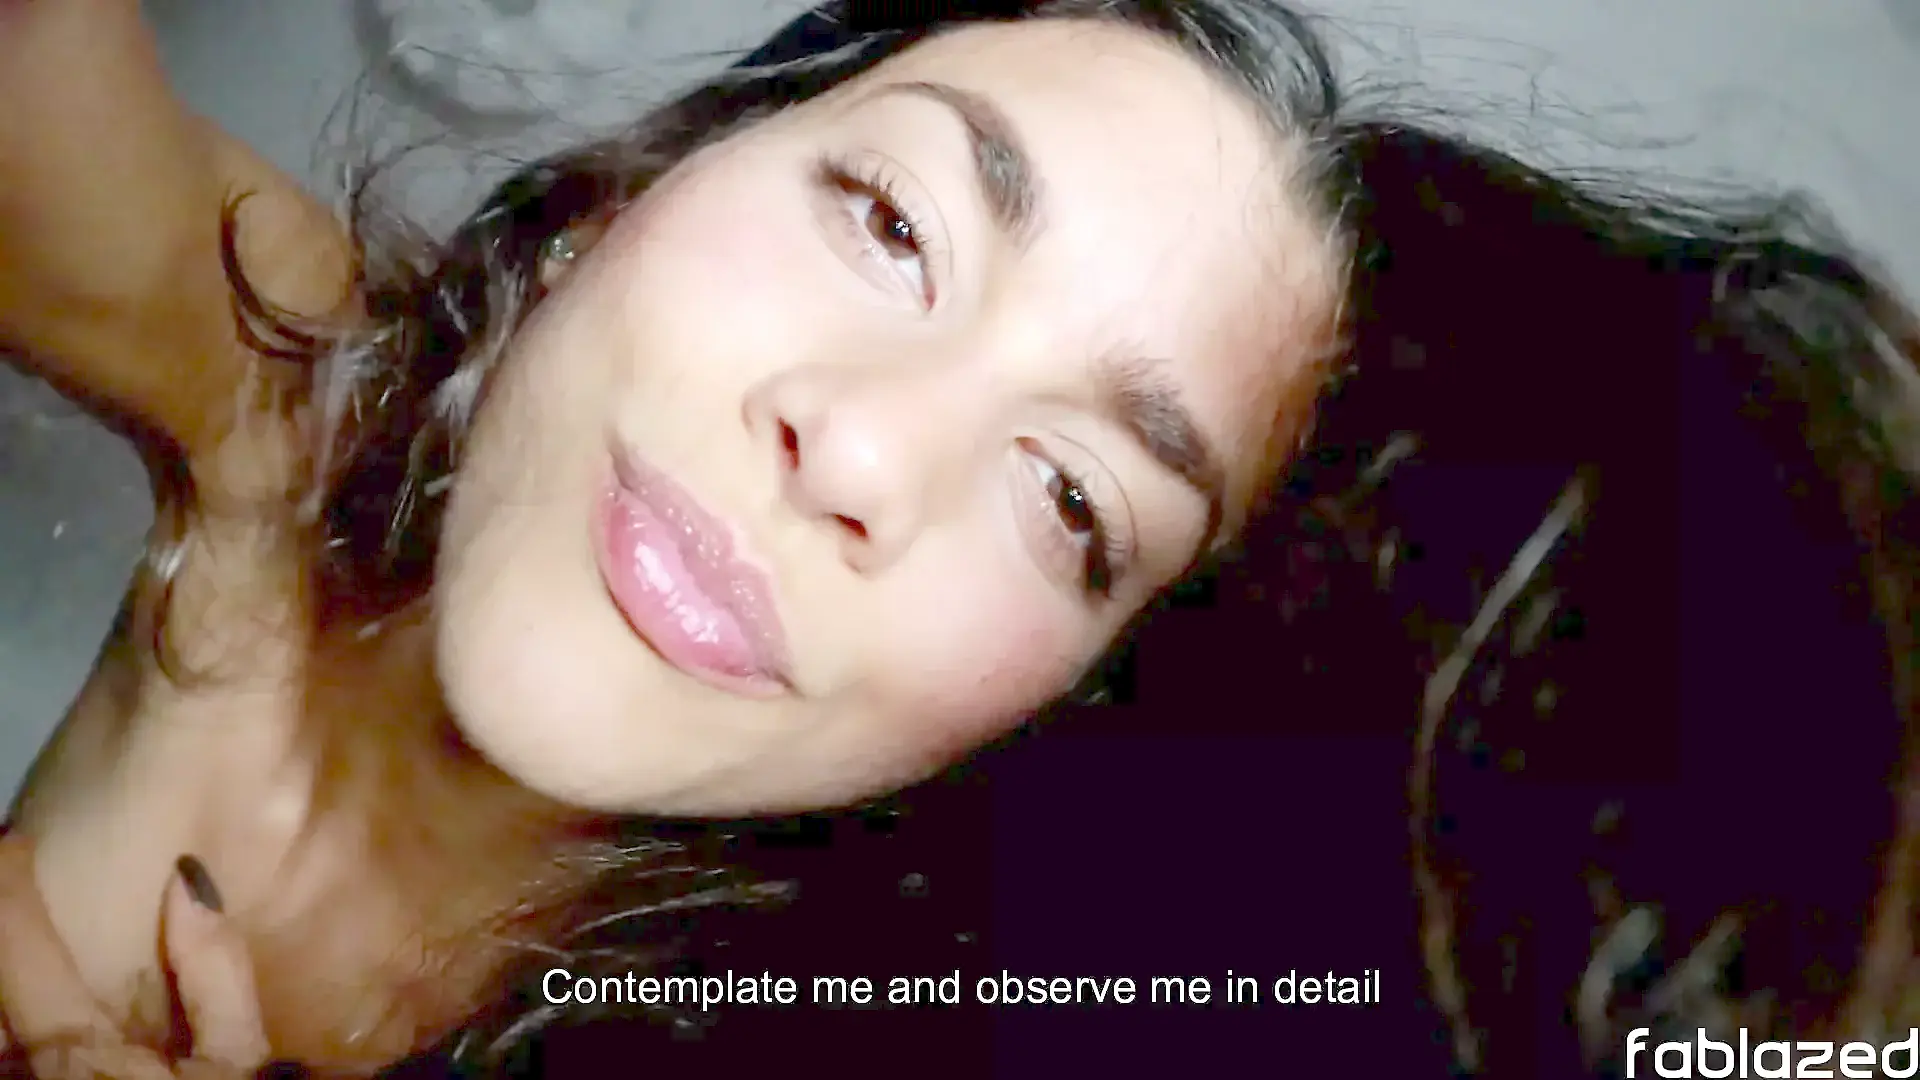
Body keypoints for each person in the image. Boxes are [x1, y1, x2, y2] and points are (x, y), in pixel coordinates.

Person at [1, 0, 1915, 1076]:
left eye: (1074, 503)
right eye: (893, 222)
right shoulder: (281, 399)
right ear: (639, 189)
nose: (862, 448)